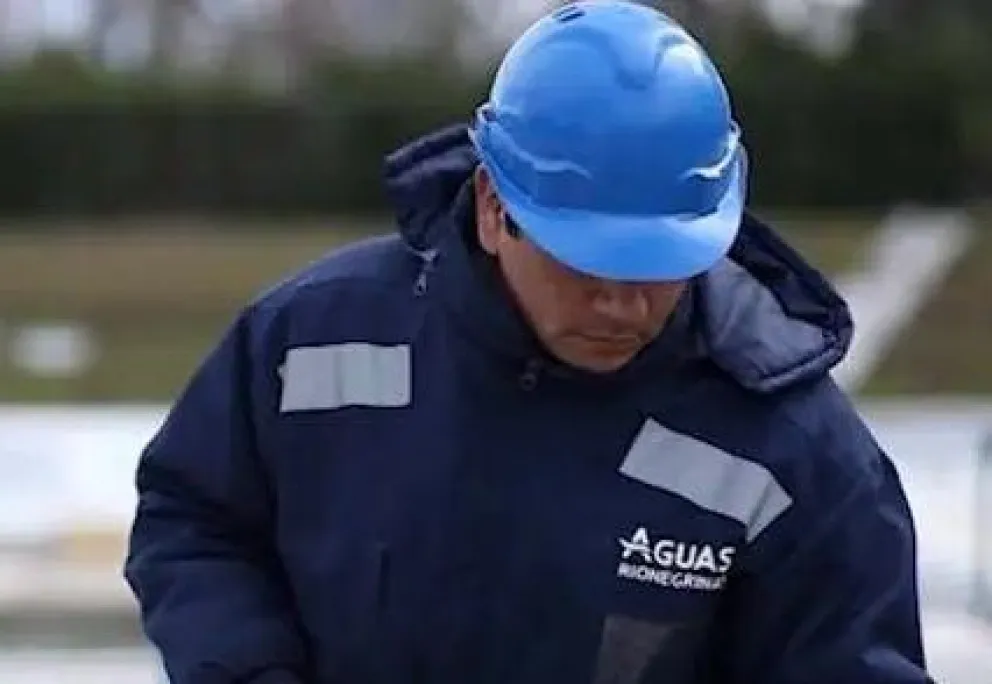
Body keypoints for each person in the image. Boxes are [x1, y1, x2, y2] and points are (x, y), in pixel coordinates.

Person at [123, 2, 933, 683]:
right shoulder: (310, 343)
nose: (623, 302)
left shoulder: (796, 458)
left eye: (661, 266)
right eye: (585, 262)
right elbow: (194, 517)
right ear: (492, 205)